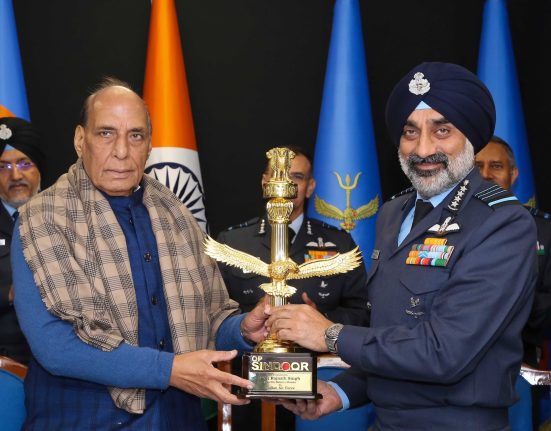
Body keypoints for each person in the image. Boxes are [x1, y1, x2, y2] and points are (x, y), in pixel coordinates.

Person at [266, 62, 537, 430]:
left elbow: (445, 353)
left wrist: (330, 334)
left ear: (471, 138)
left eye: (442, 130)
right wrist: (340, 392)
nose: (423, 149)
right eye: (410, 132)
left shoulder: (502, 223)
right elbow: (393, 336)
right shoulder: (394, 213)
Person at [11, 78, 269, 430]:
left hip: (178, 419)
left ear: (149, 145)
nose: (121, 151)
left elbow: (208, 321)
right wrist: (169, 370)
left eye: (135, 135)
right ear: (80, 140)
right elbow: (56, 347)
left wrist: (243, 330)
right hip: (84, 420)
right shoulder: (42, 218)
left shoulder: (176, 214)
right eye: (106, 133)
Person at [216, 146, 369, 430]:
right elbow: (213, 316)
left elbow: (364, 313)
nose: (287, 184)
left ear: (310, 187)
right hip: (249, 389)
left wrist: (321, 321)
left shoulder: (339, 243)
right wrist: (249, 323)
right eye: (278, 176)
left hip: (320, 391)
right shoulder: (233, 242)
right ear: (265, 182)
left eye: (297, 177)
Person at [476, 136, 551, 429]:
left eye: (496, 166)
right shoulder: (439, 229)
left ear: (513, 174)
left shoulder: (542, 231)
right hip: (447, 372)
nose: (485, 174)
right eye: (477, 166)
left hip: (520, 366)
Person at [0, 117, 44, 364]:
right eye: (3, 167)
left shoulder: (69, 213)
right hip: (6, 362)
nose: (15, 175)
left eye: (24, 163)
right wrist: (10, 294)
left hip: (68, 361)